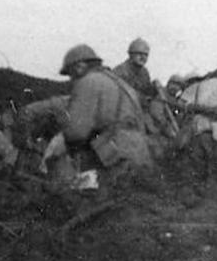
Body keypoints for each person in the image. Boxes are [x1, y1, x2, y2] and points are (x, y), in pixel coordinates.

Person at [59, 44, 156, 187]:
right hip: (140, 153)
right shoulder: (121, 83)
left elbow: (76, 132)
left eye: (70, 73)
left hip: (116, 157)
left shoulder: (88, 81)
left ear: (79, 67)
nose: (71, 79)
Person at [112, 37, 178, 150]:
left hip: (140, 111)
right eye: (139, 54)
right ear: (131, 54)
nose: (143, 57)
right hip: (124, 112)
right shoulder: (120, 71)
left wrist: (155, 87)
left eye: (146, 55)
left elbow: (147, 91)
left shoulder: (144, 72)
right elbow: (120, 94)